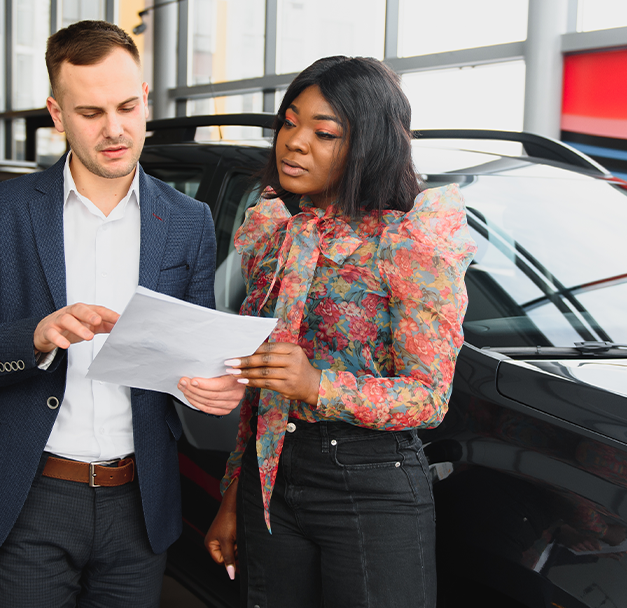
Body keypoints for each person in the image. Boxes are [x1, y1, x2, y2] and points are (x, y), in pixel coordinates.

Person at [0, 20, 242, 608]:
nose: (115, 130)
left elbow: (193, 353)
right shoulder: (0, 213)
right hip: (30, 495)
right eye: (91, 112)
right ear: (57, 113)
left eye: (126, 106)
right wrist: (35, 337)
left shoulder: (189, 221)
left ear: (145, 98)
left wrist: (213, 387)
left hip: (140, 503)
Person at [195, 56, 476, 608]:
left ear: (368, 145)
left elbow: (428, 396)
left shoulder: (409, 242)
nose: (294, 143)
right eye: (290, 122)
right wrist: (232, 499)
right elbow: (262, 389)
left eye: (323, 132)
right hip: (272, 480)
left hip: (373, 487)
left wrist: (316, 385)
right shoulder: (279, 228)